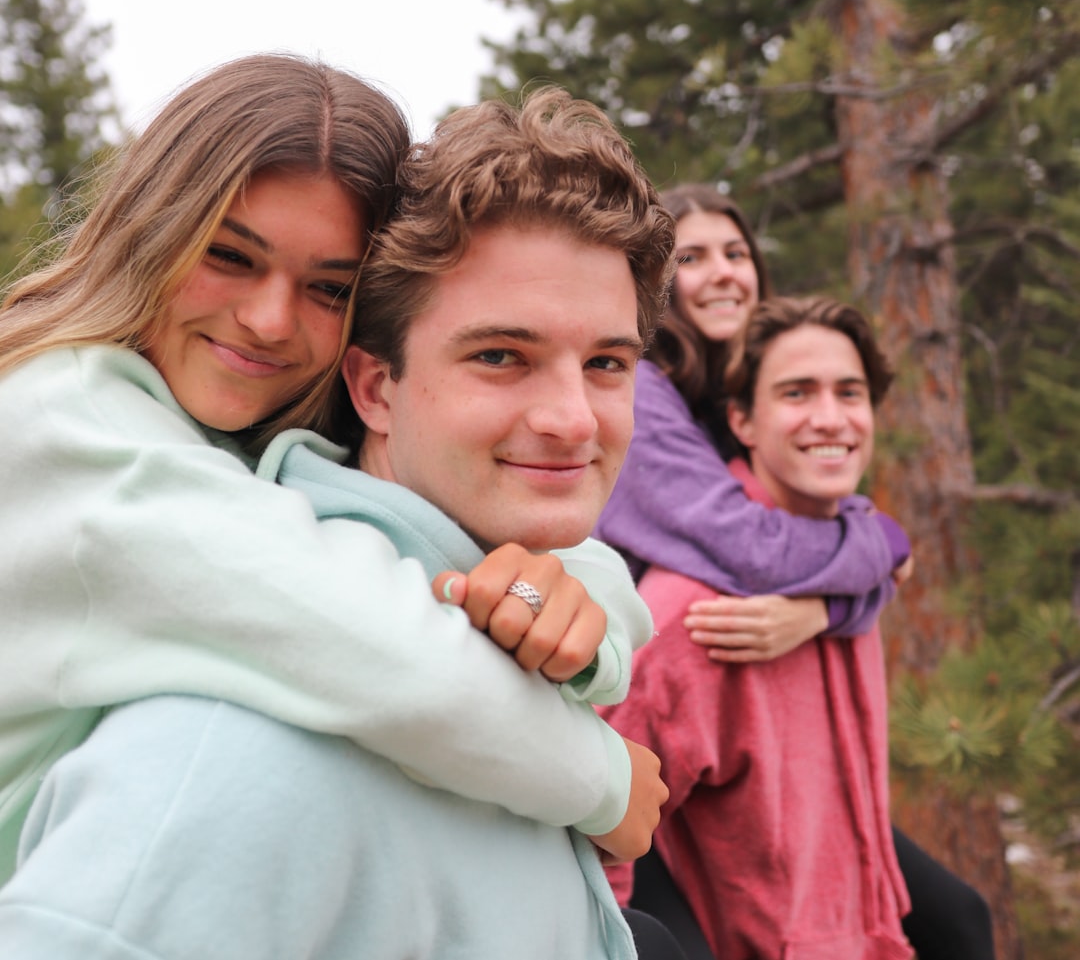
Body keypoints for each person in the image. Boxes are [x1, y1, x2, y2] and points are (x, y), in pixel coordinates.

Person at [0, 87, 683, 958]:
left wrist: (577, 596)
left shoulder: (238, 453)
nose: (272, 319)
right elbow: (375, 647)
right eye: (500, 355)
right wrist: (606, 778)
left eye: (328, 287)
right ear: (375, 388)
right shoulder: (68, 430)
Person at [595, 184, 994, 960]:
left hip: (736, 698)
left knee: (953, 917)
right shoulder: (641, 389)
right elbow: (755, 548)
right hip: (645, 686)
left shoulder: (733, 395)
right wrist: (868, 553)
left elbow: (865, 538)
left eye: (737, 253)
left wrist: (820, 611)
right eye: (693, 257)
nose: (723, 273)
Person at [601, 295, 912, 958]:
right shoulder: (695, 615)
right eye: (797, 392)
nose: (830, 417)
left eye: (849, 392)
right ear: (740, 417)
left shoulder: (850, 572)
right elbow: (593, 827)